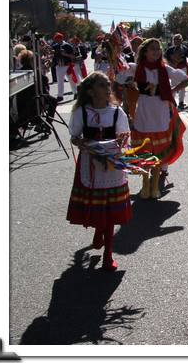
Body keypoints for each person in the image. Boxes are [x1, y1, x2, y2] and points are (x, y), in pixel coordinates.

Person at [66, 72, 132, 272]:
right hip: (91, 164)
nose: (107, 88)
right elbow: (74, 135)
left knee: (111, 209)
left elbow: (126, 138)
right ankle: (98, 230)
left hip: (112, 164)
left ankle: (108, 255)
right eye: (102, 85)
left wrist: (122, 139)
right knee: (98, 205)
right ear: (91, 90)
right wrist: (80, 142)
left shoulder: (116, 112)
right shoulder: (82, 112)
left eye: (107, 84)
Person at [116, 39, 188, 199]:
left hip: (161, 111)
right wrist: (116, 58)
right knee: (145, 149)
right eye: (152, 49)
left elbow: (186, 78)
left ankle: (155, 185)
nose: (156, 51)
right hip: (143, 111)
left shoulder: (165, 69)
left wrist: (172, 89)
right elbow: (119, 76)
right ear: (144, 52)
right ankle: (145, 184)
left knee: (159, 150)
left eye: (158, 49)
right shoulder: (135, 68)